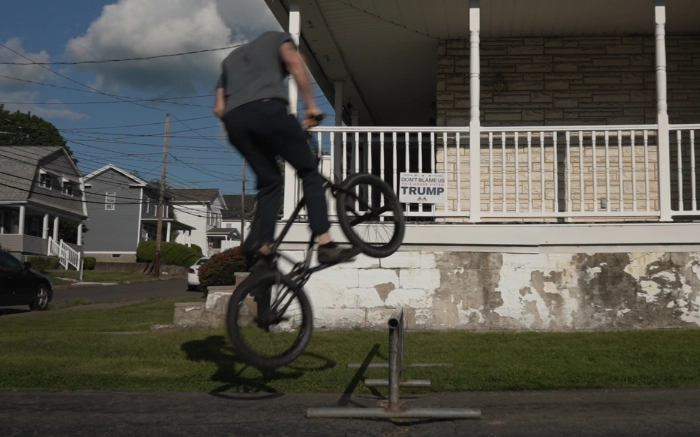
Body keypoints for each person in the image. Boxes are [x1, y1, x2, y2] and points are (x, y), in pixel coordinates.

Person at [213, 31, 358, 265]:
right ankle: (326, 244)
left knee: (270, 182)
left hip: (235, 123)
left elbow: (218, 108)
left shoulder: (231, 60)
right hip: (268, 110)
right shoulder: (276, 38)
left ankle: (261, 243)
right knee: (309, 172)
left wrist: (246, 123)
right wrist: (311, 107)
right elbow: (294, 62)